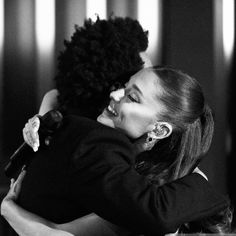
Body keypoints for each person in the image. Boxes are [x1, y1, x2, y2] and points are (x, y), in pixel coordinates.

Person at [1, 66, 232, 235]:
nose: (115, 94)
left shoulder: (108, 154)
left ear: (160, 130)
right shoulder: (98, 144)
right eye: (123, 87)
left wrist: (11, 211)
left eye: (132, 97)